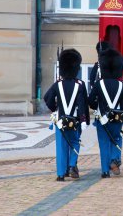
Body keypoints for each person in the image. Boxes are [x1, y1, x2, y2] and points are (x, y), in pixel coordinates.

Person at [44, 48, 88, 182]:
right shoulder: (80, 85)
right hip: (74, 120)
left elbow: (47, 98)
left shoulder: (57, 85)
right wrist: (84, 120)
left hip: (60, 120)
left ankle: (61, 174)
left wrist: (54, 109)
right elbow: (82, 104)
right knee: (75, 142)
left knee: (61, 146)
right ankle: (72, 165)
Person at [88, 48, 123, 178]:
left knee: (103, 143)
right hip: (117, 118)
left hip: (102, 119)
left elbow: (90, 101)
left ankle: (105, 171)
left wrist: (97, 107)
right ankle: (114, 160)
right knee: (117, 138)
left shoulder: (98, 84)